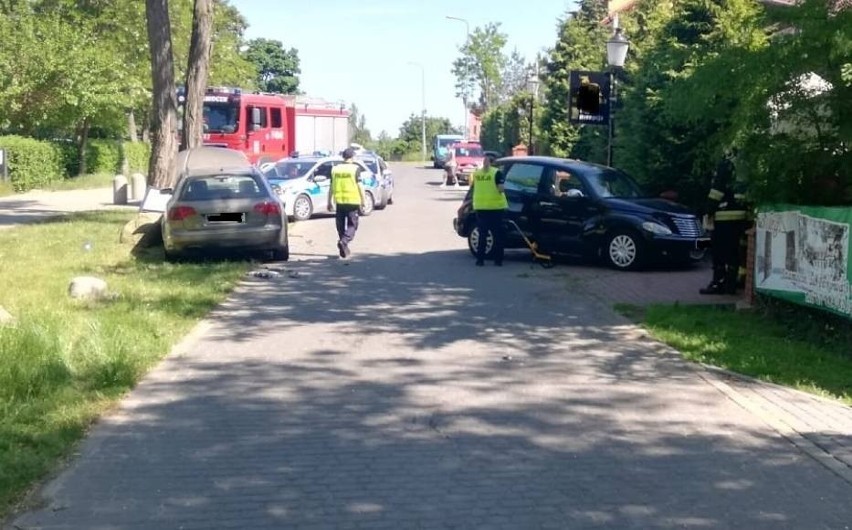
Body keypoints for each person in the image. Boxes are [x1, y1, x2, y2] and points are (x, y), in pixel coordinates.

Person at [700, 151, 751, 295]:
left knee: (719, 252)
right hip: (741, 217)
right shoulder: (744, 165)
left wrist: (709, 209)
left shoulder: (725, 165)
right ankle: (731, 285)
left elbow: (717, 190)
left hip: (724, 218)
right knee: (734, 252)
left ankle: (717, 284)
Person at [327, 148, 365, 259]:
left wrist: (329, 201)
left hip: (339, 201)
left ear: (343, 157)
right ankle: (344, 241)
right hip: (352, 202)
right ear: (352, 157)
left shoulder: (335, 169)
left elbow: (331, 187)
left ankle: (343, 246)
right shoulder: (355, 169)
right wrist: (363, 201)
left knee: (340, 225)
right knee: (352, 225)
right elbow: (360, 186)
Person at [470, 153, 507, 266]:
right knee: (497, 235)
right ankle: (498, 260)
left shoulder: (477, 174)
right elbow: (501, 189)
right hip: (495, 208)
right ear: (493, 162)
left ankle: (480, 260)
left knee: (483, 234)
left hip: (481, 208)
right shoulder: (496, 173)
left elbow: (474, 188)